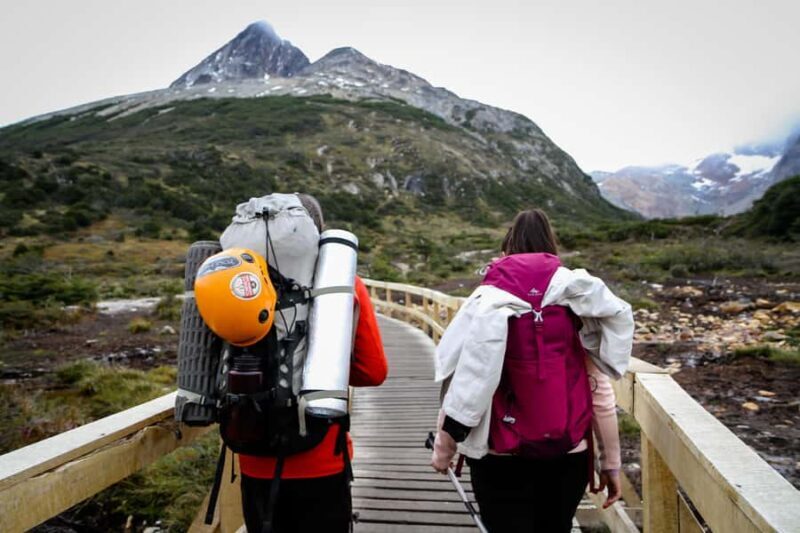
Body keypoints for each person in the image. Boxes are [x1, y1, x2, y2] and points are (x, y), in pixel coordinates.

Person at [430, 208, 634, 533]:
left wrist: (445, 446)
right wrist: (611, 463)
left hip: (499, 453)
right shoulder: (574, 299)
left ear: (505, 253)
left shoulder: (486, 300)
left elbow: (463, 380)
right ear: (552, 250)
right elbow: (600, 395)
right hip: (567, 452)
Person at [238, 195, 388, 533]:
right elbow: (374, 371)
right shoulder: (339, 285)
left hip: (252, 456)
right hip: (321, 458)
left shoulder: (238, 288)